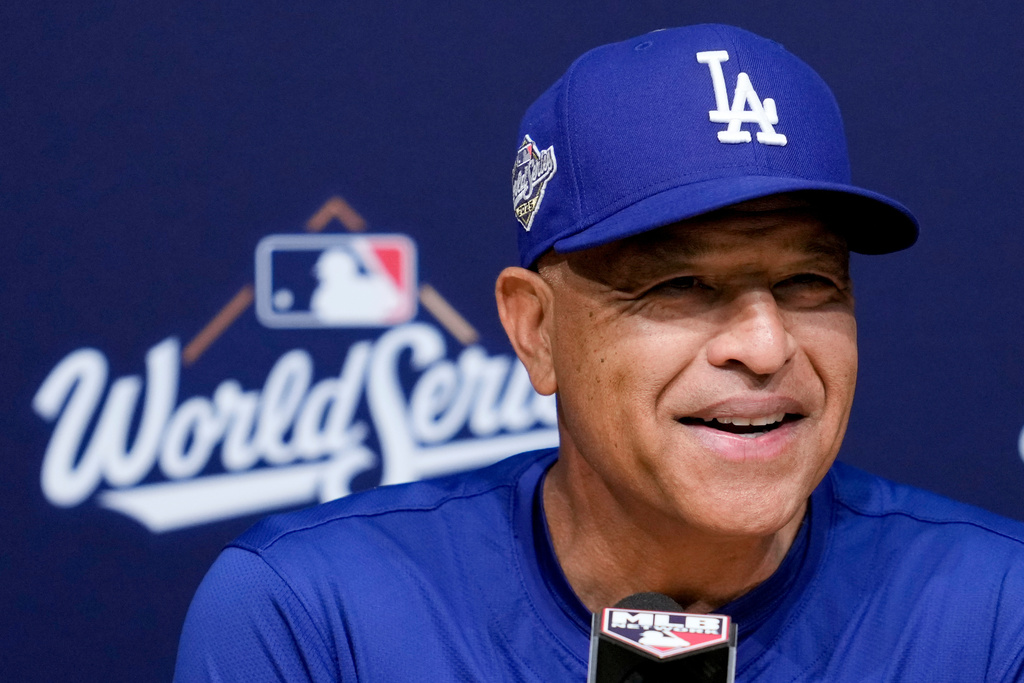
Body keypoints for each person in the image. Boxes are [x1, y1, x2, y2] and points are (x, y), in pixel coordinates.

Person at [174, 24, 1024, 681]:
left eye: (810, 282)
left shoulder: (994, 614)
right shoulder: (316, 616)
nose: (767, 346)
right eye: (681, 287)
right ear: (534, 331)